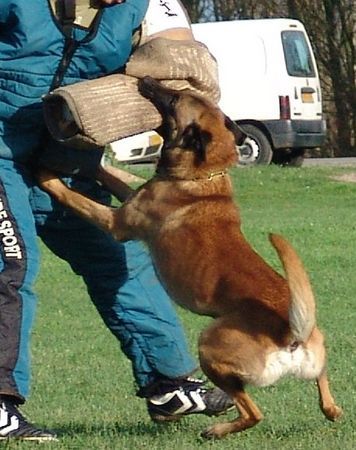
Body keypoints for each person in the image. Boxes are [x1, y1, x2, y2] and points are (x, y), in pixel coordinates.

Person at [0, 0, 233, 441]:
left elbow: (182, 62)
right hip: (1, 152)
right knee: (11, 263)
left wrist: (180, 73)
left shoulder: (146, 6)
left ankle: (170, 384)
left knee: (120, 255)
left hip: (65, 159)